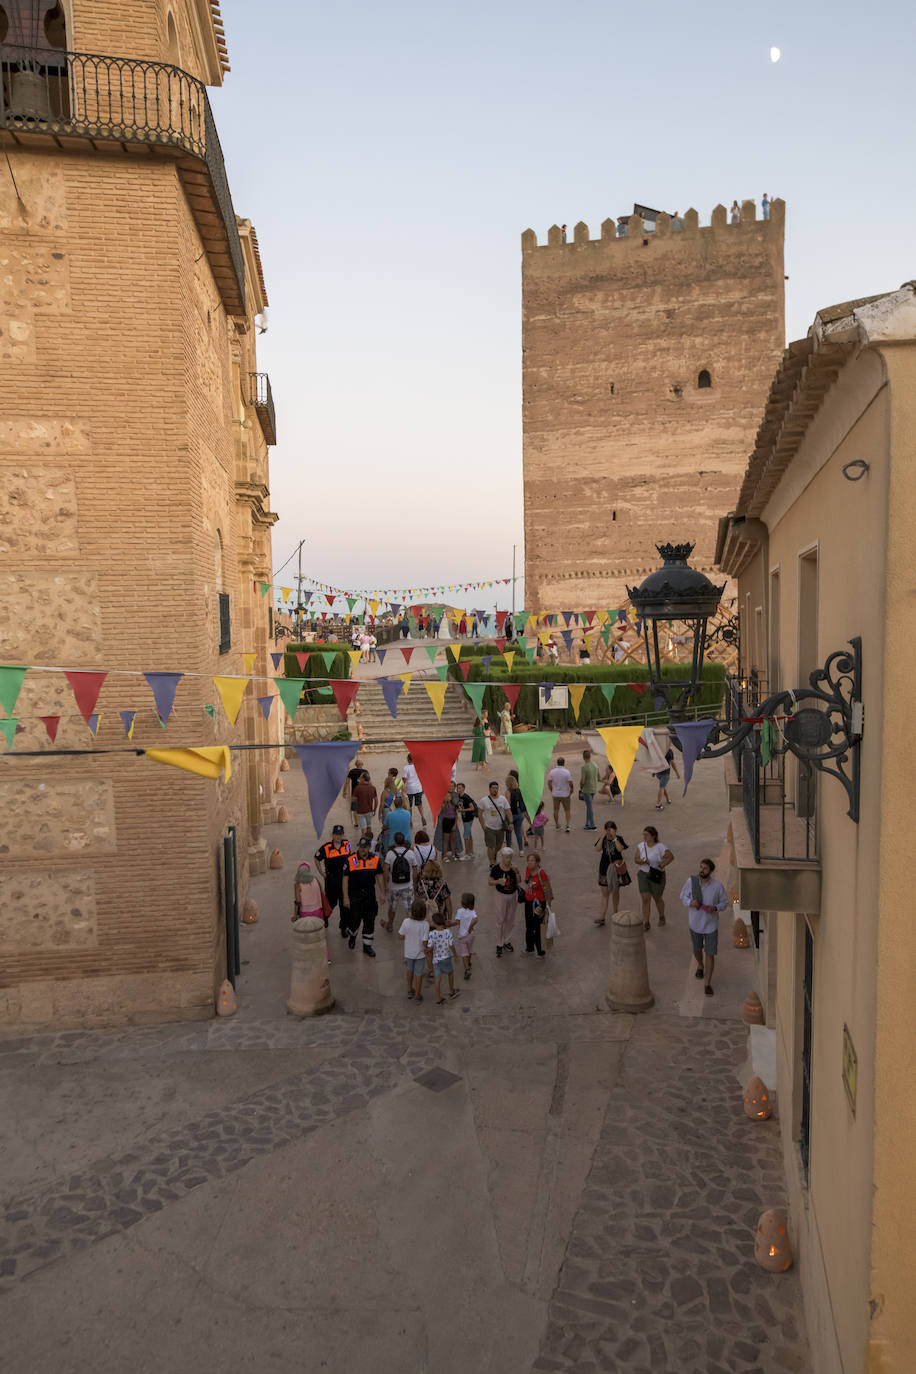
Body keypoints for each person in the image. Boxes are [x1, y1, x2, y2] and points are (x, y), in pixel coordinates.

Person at [680, 857, 730, 996]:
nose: (701, 870)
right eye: (701, 867)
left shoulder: (717, 886)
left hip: (711, 926)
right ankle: (700, 965)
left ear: (711, 871)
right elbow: (682, 896)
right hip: (695, 924)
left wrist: (715, 908)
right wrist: (691, 902)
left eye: (705, 868)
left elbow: (725, 903)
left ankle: (707, 983)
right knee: (697, 949)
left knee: (710, 953)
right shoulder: (691, 882)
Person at [342, 835, 385, 956]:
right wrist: (345, 897)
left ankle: (367, 946)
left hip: (369, 895)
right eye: (361, 847)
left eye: (365, 847)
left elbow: (380, 876)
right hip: (354, 896)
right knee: (355, 919)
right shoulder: (350, 860)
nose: (362, 850)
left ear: (369, 848)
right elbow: (345, 879)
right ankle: (352, 936)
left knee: (370, 920)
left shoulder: (375, 860)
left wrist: (382, 893)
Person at [313, 824, 352, 937]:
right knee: (331, 902)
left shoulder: (347, 844)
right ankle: (325, 917)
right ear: (333, 835)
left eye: (340, 834)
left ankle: (343, 926)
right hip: (332, 880)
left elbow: (351, 859)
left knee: (344, 904)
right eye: (336, 834)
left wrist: (354, 869)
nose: (338, 837)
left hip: (344, 879)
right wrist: (322, 873)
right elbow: (316, 858)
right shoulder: (326, 847)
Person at [635, 825, 675, 931]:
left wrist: (661, 865)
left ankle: (661, 916)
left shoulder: (660, 847)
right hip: (643, 875)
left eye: (647, 835)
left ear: (653, 836)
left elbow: (670, 857)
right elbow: (636, 859)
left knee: (657, 898)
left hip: (657, 875)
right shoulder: (641, 846)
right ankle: (646, 922)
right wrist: (642, 861)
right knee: (645, 899)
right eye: (643, 835)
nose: (644, 837)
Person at [488, 846, 521, 956]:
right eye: (507, 857)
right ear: (502, 857)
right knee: (500, 919)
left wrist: (517, 873)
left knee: (510, 919)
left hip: (512, 895)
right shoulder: (496, 868)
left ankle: (507, 940)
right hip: (500, 896)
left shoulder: (513, 868)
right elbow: (490, 882)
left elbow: (519, 881)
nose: (508, 860)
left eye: (510, 858)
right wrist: (498, 881)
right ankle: (499, 943)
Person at [595, 820, 628, 925]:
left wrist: (614, 838)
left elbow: (620, 849)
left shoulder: (619, 838)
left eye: (611, 829)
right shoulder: (603, 839)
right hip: (604, 868)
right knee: (605, 894)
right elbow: (597, 849)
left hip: (616, 868)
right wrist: (601, 837)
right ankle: (602, 917)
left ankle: (615, 912)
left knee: (615, 891)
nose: (609, 832)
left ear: (615, 830)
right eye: (607, 830)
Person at [384, 831, 420, 931]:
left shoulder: (390, 854)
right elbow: (415, 870)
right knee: (409, 908)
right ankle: (411, 929)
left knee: (392, 907)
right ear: (404, 841)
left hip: (394, 886)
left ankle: (390, 925)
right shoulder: (410, 853)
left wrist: (386, 885)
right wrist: (415, 883)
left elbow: (386, 870)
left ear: (395, 842)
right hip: (408, 885)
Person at [399, 897, 430, 1002]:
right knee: (418, 974)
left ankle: (409, 989)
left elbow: (401, 936)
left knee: (409, 971)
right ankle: (417, 994)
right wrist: (429, 948)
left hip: (408, 953)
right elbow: (425, 942)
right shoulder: (425, 925)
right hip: (420, 954)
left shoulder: (406, 922)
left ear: (411, 911)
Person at [522, 851, 553, 957]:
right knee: (529, 926)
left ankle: (540, 951)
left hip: (539, 904)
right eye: (528, 860)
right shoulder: (527, 870)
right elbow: (527, 881)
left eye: (532, 861)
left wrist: (548, 906)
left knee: (538, 927)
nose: (529, 863)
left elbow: (547, 889)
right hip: (528, 902)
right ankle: (529, 948)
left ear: (537, 862)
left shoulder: (541, 873)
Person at [426, 908, 460, 1004]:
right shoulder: (448, 932)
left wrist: (426, 951)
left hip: (436, 960)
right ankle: (451, 991)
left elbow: (430, 947)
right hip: (446, 958)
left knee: (437, 979)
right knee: (450, 973)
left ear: (434, 923)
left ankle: (438, 998)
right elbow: (451, 945)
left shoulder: (432, 934)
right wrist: (456, 955)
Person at [477, 780, 511, 863]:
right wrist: (483, 826)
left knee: (498, 846)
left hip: (500, 828)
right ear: (489, 789)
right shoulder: (483, 800)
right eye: (493, 788)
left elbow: (508, 812)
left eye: (496, 788)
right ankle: (491, 862)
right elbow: (480, 814)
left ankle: (494, 853)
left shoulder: (503, 799)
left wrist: (511, 823)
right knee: (491, 846)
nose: (495, 790)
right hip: (489, 828)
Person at [416, 858, 452, 923]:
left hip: (424, 917)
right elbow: (448, 904)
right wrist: (449, 919)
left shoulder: (421, 883)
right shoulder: (442, 884)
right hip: (439, 917)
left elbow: (417, 901)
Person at [293, 860, 328, 925]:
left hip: (305, 913)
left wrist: (295, 916)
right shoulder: (316, 879)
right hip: (318, 912)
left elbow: (297, 902)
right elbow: (322, 894)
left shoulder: (297, 885)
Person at [652, 741, 681, 810]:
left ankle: (668, 799)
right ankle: (658, 804)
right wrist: (677, 772)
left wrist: (653, 771)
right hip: (665, 773)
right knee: (662, 787)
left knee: (663, 786)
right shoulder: (669, 751)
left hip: (658, 772)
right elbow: (672, 763)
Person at [455, 893, 478, 979]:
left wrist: (449, 924)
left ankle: (467, 969)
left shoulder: (459, 911)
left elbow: (457, 922)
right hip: (471, 935)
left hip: (462, 936)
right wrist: (471, 927)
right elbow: (476, 919)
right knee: (469, 949)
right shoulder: (473, 912)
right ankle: (469, 962)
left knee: (464, 953)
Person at [547, 756, 573, 832]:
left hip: (555, 794)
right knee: (567, 810)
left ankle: (557, 825)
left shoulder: (552, 771)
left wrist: (552, 790)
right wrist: (571, 789)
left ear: (557, 763)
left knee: (556, 810)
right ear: (564, 763)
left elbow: (549, 782)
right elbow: (570, 783)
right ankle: (567, 825)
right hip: (565, 794)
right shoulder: (567, 772)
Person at [505, 769, 527, 852]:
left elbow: (507, 805)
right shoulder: (519, 790)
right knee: (518, 833)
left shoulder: (508, 792)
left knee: (508, 832)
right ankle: (521, 850)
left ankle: (508, 849)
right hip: (520, 813)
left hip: (512, 813)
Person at [402, 753, 427, 825]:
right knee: (419, 804)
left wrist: (400, 788)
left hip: (409, 789)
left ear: (408, 759)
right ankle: (422, 816)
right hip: (418, 788)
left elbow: (404, 779)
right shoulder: (419, 766)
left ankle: (410, 820)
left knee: (409, 806)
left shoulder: (406, 768)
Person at [456, 782, 477, 858]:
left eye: (459, 788)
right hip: (466, 818)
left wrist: (462, 811)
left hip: (468, 818)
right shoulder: (459, 796)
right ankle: (471, 851)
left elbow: (472, 808)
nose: (458, 789)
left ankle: (467, 854)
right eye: (457, 788)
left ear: (463, 788)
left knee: (466, 836)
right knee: (469, 834)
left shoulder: (466, 797)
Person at [579, 748, 599, 830]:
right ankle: (587, 824)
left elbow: (582, 781)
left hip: (587, 789)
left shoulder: (584, 767)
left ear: (583, 757)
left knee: (589, 807)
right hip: (594, 788)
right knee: (588, 806)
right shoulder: (595, 765)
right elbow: (599, 776)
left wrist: (581, 786)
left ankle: (593, 825)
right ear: (590, 756)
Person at [344, 755, 365, 829]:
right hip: (363, 794)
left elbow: (347, 782)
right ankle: (362, 822)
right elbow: (369, 783)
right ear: (362, 764)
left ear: (356, 765)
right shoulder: (365, 772)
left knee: (355, 810)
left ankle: (356, 823)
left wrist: (344, 791)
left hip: (354, 794)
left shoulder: (352, 771)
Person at [439, 786, 459, 862]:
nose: (448, 797)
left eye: (449, 796)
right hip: (446, 822)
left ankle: (453, 854)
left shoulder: (454, 805)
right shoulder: (443, 805)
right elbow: (441, 810)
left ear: (451, 797)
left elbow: (456, 815)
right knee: (446, 840)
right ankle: (444, 856)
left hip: (453, 822)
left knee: (452, 840)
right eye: (446, 796)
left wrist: (455, 825)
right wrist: (445, 801)